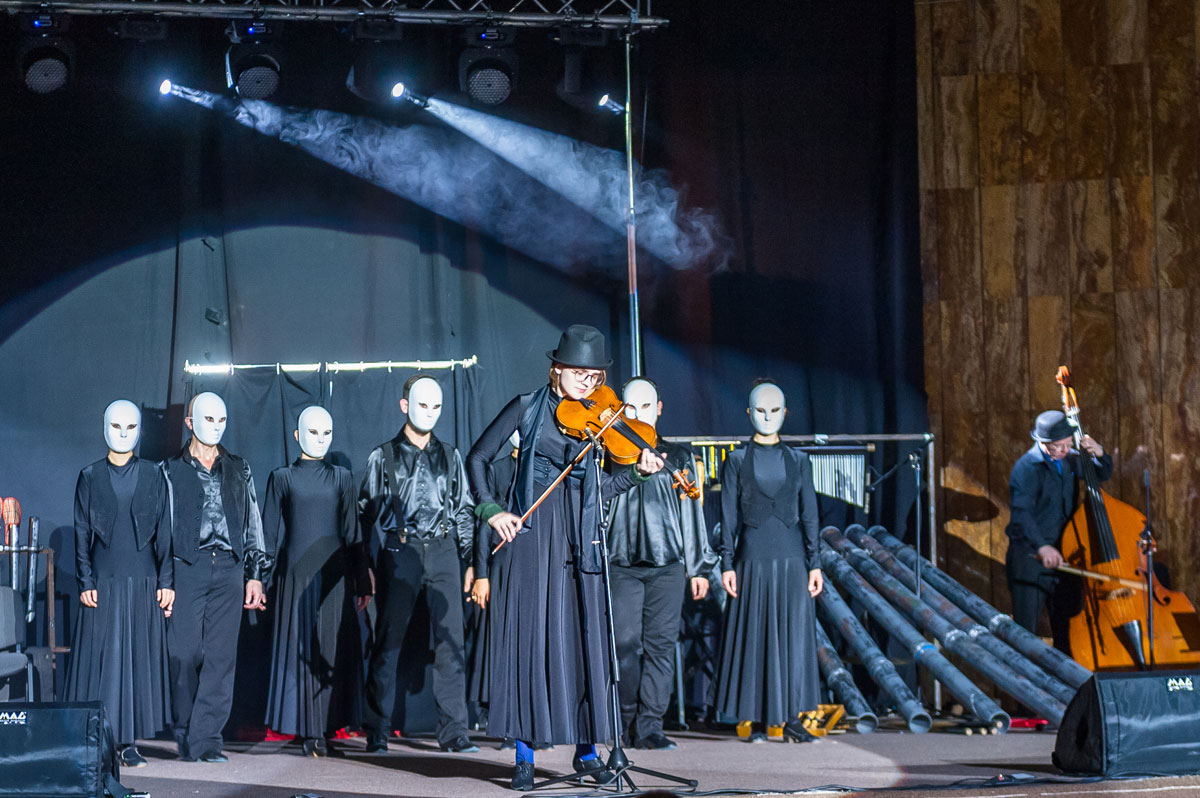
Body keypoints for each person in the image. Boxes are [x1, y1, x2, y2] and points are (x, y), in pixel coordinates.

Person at [466, 324, 665, 791]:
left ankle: (587, 752)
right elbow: (477, 458)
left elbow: (605, 490)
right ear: (556, 368)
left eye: (594, 377)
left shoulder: (601, 419)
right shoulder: (525, 407)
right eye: (578, 374)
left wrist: (637, 475)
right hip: (531, 539)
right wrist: (492, 510)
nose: (587, 383)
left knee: (584, 643)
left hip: (582, 540)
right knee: (529, 644)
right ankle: (523, 755)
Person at [358, 375, 477, 754]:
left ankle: (454, 732)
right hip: (400, 550)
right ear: (405, 405)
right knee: (388, 640)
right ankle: (377, 729)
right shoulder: (383, 456)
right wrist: (366, 567)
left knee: (451, 642)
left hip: (443, 550)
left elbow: (463, 511)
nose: (430, 413)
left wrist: (470, 561)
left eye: (436, 406)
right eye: (423, 404)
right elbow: (364, 515)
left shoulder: (451, 456)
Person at [606, 377, 717, 750]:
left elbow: (692, 514)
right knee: (623, 644)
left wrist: (698, 567)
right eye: (630, 408)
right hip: (621, 562)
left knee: (661, 646)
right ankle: (622, 722)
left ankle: (650, 725)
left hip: (667, 564)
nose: (639, 415)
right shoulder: (610, 454)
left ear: (659, 409)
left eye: (646, 407)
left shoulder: (679, 457)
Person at [163, 391, 273, 762]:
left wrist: (255, 574)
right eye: (208, 419)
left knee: (221, 659)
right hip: (187, 566)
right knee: (182, 654)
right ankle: (185, 729)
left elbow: (253, 522)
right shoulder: (170, 470)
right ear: (189, 422)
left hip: (230, 567)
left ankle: (207, 740)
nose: (216, 426)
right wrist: (165, 580)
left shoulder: (239, 467)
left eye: (221, 420)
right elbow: (162, 529)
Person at [65, 399, 174, 768]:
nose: (124, 434)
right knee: (102, 664)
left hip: (144, 581)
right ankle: (98, 742)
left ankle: (128, 744)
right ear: (104, 428)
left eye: (131, 427)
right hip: (104, 581)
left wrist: (167, 580)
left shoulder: (154, 475)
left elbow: (164, 530)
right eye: (116, 426)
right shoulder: (90, 476)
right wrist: (85, 580)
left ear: (140, 431)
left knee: (136, 664)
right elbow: (82, 532)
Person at [714, 380, 823, 743]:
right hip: (752, 560)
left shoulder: (799, 461)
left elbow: (810, 514)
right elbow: (728, 516)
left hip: (792, 560)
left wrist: (815, 563)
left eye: (774, 410)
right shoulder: (736, 460)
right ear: (749, 413)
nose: (767, 417)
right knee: (756, 637)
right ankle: (759, 721)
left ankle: (791, 719)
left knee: (793, 638)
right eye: (760, 410)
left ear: (785, 413)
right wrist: (727, 563)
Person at [262, 406, 372, 757]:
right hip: (294, 577)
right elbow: (267, 534)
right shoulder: (282, 478)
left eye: (327, 433)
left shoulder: (342, 478)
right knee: (300, 651)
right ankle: (308, 732)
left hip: (333, 579)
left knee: (329, 648)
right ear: (297, 436)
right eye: (313, 432)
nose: (321, 439)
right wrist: (257, 579)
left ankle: (323, 727)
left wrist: (363, 582)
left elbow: (353, 533)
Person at [1005, 409, 1111, 653]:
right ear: (1043, 443)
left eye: (1068, 444)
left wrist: (1100, 453)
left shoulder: (1069, 460)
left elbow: (1101, 474)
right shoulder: (1026, 468)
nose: (1065, 450)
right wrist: (1042, 546)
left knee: (1067, 629)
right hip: (1031, 560)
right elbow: (1022, 514)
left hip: (1064, 557)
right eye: (1058, 446)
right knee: (1026, 633)